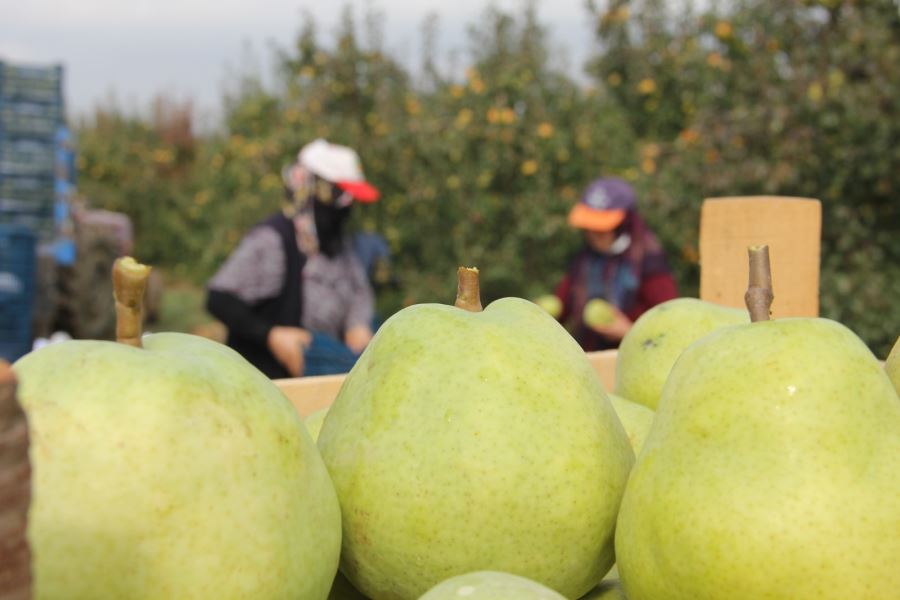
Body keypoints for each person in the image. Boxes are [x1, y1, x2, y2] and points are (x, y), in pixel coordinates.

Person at [206, 139, 380, 379]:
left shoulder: (341, 245)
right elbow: (219, 298)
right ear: (311, 190)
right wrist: (270, 335)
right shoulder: (274, 241)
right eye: (340, 198)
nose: (345, 211)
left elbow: (357, 292)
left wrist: (357, 324)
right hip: (269, 383)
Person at [554, 177, 678, 351]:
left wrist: (629, 331)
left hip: (634, 360)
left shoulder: (648, 261)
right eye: (589, 227)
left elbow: (670, 326)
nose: (592, 234)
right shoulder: (585, 260)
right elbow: (561, 305)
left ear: (625, 223)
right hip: (591, 360)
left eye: (601, 228)